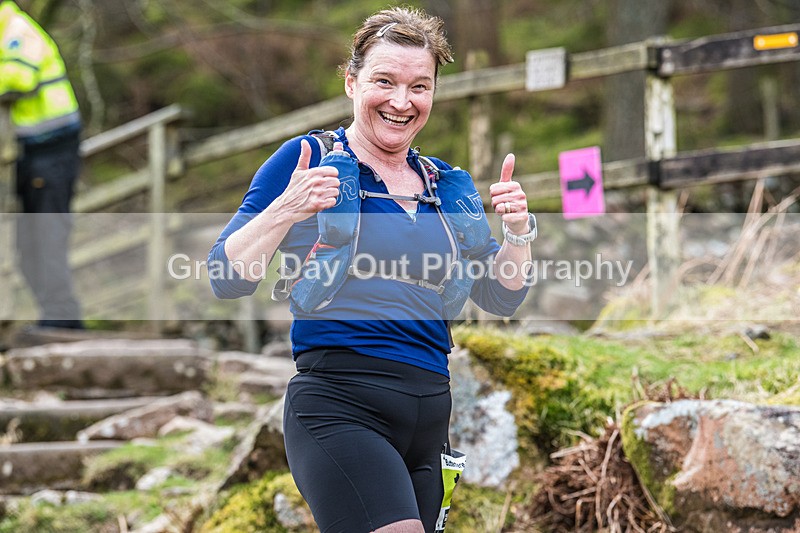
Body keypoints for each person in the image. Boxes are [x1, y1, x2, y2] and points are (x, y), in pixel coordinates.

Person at [209, 7, 537, 532]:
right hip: (340, 404)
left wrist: (518, 232)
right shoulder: (307, 158)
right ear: (351, 81)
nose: (402, 102)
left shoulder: (442, 184)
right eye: (384, 81)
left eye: (420, 86)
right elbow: (225, 275)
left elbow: (501, 296)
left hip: (430, 415)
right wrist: (287, 209)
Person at [0, 0, 83, 329]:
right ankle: (57, 317)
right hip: (33, 150)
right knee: (28, 241)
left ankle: (61, 320)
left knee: (46, 234)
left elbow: (20, 79)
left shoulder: (16, 31)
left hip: (52, 148)